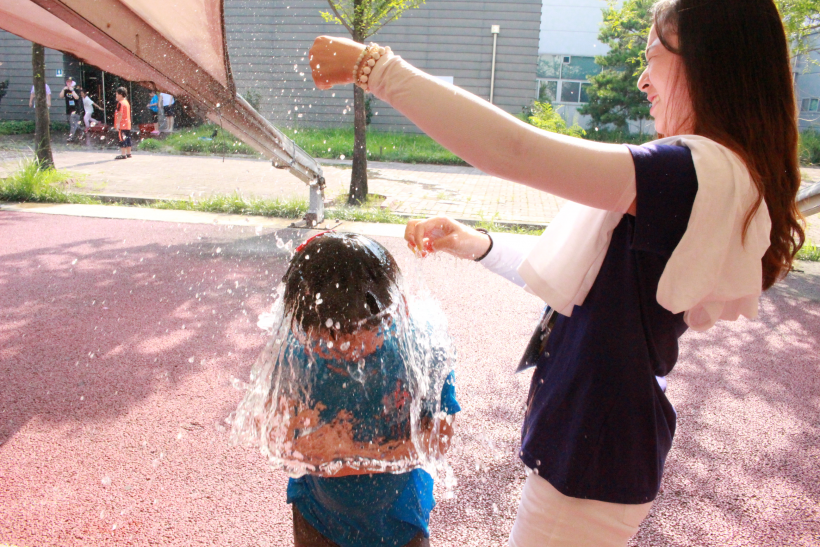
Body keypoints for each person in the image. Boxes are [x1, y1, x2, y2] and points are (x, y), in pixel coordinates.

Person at [308, 1, 804, 546]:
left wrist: (375, 69)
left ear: (705, 60)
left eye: (652, 56)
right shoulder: (701, 176)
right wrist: (477, 244)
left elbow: (514, 149)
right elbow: (584, 286)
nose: (642, 80)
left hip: (595, 455)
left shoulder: (686, 174)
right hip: (598, 450)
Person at [237, 232, 459, 547]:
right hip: (318, 518)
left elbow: (440, 439)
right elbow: (277, 439)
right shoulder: (297, 353)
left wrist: (342, 453)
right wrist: (381, 452)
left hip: (401, 518)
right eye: (327, 338)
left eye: (359, 334)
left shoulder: (423, 350)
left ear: (399, 307)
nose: (346, 348)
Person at [58, 77, 81, 142]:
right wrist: (63, 89)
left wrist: (72, 90)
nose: (68, 83)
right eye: (67, 82)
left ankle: (71, 137)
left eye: (70, 82)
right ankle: (81, 132)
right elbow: (61, 96)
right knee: (74, 124)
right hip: (69, 109)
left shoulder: (76, 89)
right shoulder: (66, 90)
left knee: (73, 124)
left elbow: (76, 97)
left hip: (75, 110)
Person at [113, 86, 132, 159]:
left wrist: (117, 124)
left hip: (122, 125)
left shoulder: (120, 103)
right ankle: (129, 153)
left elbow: (120, 114)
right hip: (127, 124)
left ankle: (123, 154)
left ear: (121, 94)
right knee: (128, 138)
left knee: (122, 139)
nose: (116, 96)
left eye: (117, 94)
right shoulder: (126, 102)